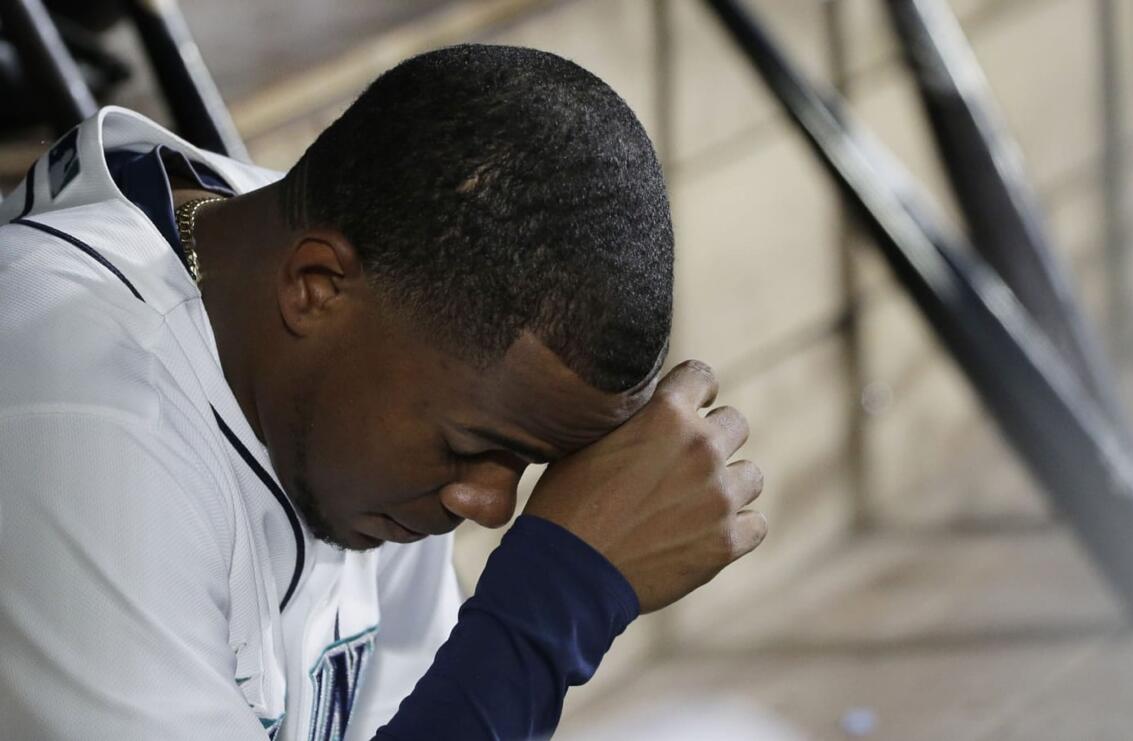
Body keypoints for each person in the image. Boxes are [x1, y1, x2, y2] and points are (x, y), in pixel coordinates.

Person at [0, 44, 766, 740]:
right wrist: (550, 605)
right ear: (315, 288)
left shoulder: (375, 331)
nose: (491, 505)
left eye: (526, 464)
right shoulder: (67, 408)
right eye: (476, 449)